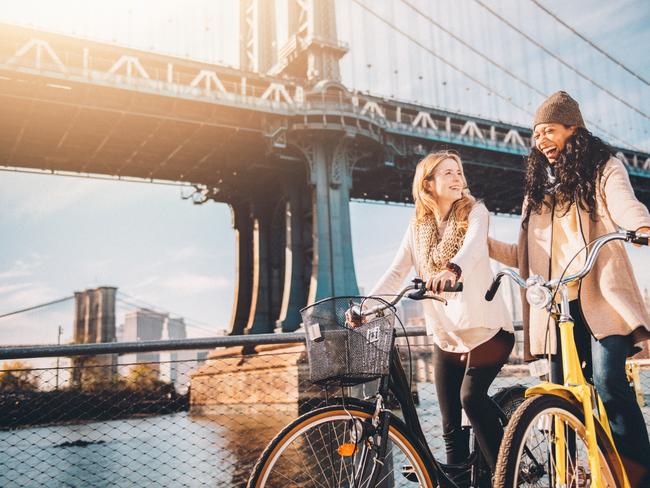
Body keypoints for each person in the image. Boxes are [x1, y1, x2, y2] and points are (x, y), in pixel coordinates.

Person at [489, 91, 650, 487]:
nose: (541, 139)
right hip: (556, 305)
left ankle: (638, 476)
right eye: (536, 133)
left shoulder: (603, 168)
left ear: (572, 129)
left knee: (609, 381)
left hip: (599, 293)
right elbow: (525, 254)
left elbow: (623, 202)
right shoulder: (536, 191)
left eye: (549, 130)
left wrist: (641, 226)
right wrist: (482, 245)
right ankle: (571, 475)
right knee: (560, 395)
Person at [355, 150, 514, 475]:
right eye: (448, 173)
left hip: (489, 332)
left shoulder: (476, 211)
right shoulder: (417, 228)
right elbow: (396, 272)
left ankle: (506, 474)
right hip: (447, 336)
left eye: (459, 172)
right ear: (428, 184)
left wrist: (452, 270)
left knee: (471, 398)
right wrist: (365, 308)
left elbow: (472, 248)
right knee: (449, 427)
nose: (458, 178)